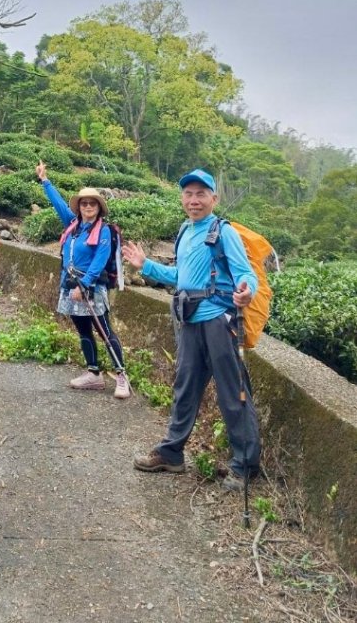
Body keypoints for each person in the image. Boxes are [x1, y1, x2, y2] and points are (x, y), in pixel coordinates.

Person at [122, 168, 261, 491]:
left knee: (232, 393)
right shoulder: (186, 230)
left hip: (218, 321)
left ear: (214, 198)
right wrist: (146, 265)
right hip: (189, 321)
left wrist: (246, 290)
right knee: (184, 388)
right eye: (188, 194)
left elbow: (246, 273)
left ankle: (245, 463)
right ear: (182, 198)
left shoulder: (223, 232)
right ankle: (172, 453)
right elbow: (180, 277)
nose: (194, 200)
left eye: (201, 194)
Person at [35, 162, 130, 398]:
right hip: (70, 285)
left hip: (91, 287)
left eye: (92, 203)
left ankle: (121, 376)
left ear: (99, 207)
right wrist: (45, 181)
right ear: (79, 207)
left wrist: (84, 285)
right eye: (84, 203)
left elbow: (100, 260)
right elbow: (58, 204)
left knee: (104, 330)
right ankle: (94, 373)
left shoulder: (104, 231)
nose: (88, 207)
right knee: (83, 330)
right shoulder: (74, 225)